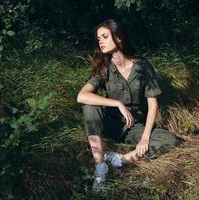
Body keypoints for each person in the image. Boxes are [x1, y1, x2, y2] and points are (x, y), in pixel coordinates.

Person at [77, 19, 183, 192]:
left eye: (105, 36)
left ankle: (118, 160)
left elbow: (153, 104)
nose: (100, 42)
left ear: (118, 38)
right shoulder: (104, 67)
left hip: (134, 126)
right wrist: (117, 103)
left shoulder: (142, 66)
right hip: (111, 123)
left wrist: (145, 138)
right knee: (89, 106)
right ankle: (100, 167)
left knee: (171, 141)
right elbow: (82, 96)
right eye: (99, 39)